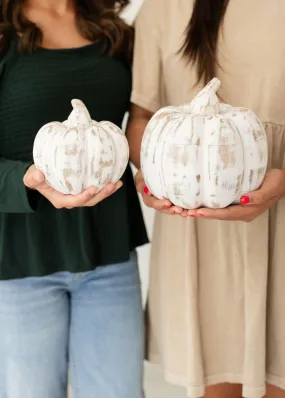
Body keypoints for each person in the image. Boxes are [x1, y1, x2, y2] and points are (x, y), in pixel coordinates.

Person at [127, 0, 285, 397]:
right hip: (195, 232)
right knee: (215, 379)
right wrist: (152, 175)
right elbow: (141, 117)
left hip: (280, 226)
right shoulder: (160, 10)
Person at [0, 1, 148, 397]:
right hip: (19, 263)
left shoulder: (114, 31)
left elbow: (140, 120)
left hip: (110, 256)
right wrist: (27, 180)